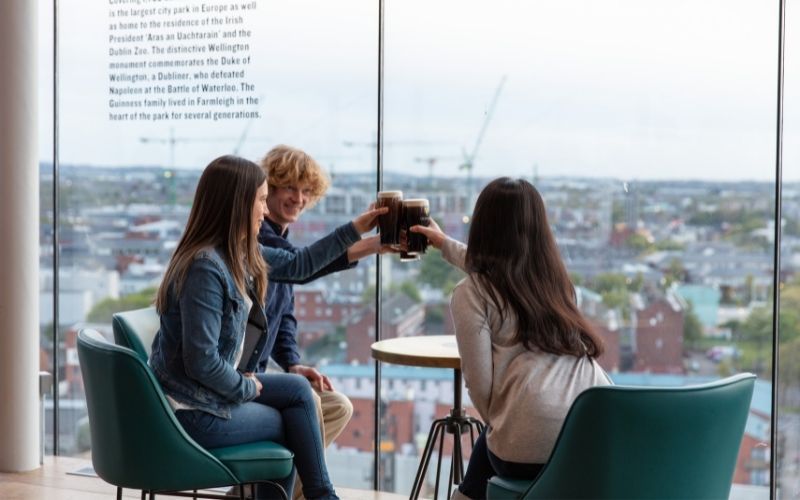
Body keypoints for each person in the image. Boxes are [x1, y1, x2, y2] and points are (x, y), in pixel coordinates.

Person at [149, 155, 386, 500]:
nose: (264, 211)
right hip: (192, 412)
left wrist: (362, 229)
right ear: (236, 205)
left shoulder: (239, 254)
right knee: (295, 423)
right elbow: (201, 362)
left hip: (208, 396)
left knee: (298, 391)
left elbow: (301, 265)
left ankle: (322, 496)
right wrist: (246, 388)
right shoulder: (205, 267)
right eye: (261, 200)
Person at [411, 177, 612, 500]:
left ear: (481, 227)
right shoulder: (557, 284)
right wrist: (443, 243)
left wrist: (506, 423)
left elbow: (481, 389)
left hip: (528, 452)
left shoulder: (470, 294)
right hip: (597, 444)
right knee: (497, 436)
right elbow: (503, 278)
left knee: (502, 430)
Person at [255, 145, 391, 500]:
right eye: (289, 188)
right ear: (267, 189)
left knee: (336, 406)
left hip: (259, 377)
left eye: (306, 191)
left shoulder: (278, 243)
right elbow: (301, 267)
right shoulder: (254, 244)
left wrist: (292, 362)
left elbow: (284, 313)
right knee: (309, 405)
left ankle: (263, 493)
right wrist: (363, 236)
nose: (298, 198)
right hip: (243, 381)